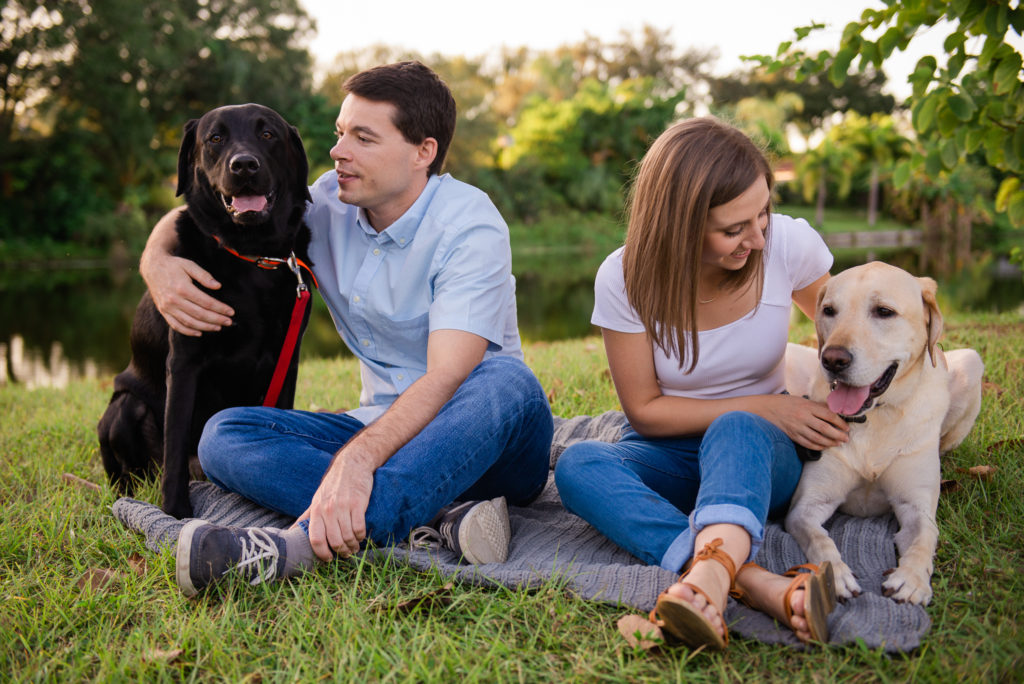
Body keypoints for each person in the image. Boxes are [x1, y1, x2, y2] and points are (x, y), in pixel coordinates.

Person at [140, 61, 553, 596]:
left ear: (422, 151)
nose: (338, 152)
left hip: (487, 442)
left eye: (362, 137)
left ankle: (297, 545)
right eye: (340, 133)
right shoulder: (330, 202)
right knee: (224, 436)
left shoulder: (470, 225)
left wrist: (357, 460)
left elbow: (447, 379)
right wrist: (156, 259)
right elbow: (195, 212)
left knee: (506, 380)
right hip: (376, 426)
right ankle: (438, 516)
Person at [553, 117, 849, 649]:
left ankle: (709, 579)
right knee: (578, 463)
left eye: (762, 214)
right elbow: (643, 411)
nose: (757, 238)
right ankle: (751, 581)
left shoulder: (785, 246)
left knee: (738, 425)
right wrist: (763, 403)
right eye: (734, 229)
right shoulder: (624, 277)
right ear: (680, 225)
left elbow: (846, 336)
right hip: (669, 452)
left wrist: (787, 408)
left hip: (758, 453)